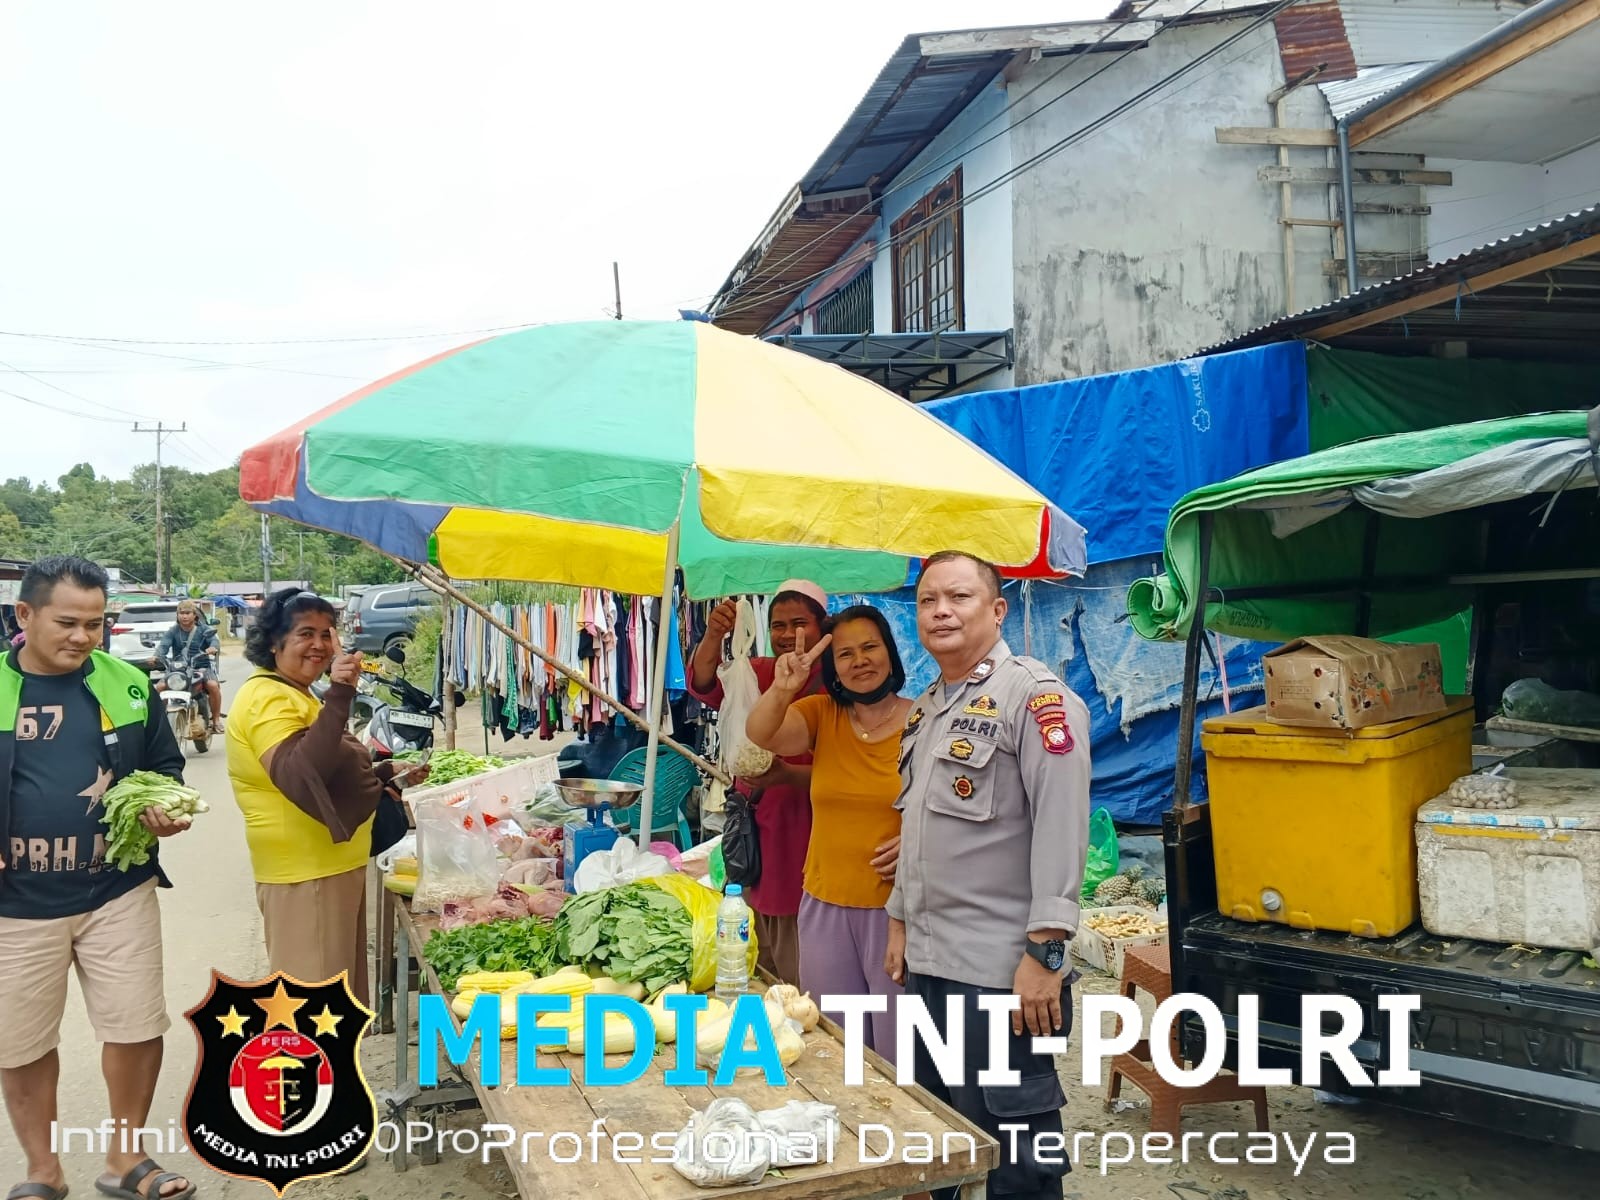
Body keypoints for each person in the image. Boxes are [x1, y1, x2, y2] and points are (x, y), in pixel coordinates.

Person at [885, 550, 1091, 1200]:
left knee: (1018, 1153)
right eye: (927, 600)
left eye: (959, 597)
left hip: (1000, 973)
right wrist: (897, 920)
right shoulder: (926, 710)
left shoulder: (1035, 697)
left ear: (997, 610)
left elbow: (1063, 826)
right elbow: (918, 829)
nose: (941, 610)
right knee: (942, 1135)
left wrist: (1045, 952)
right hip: (928, 963)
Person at [1, 556, 197, 1200]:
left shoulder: (128, 684)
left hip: (117, 889)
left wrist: (165, 804)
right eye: (67, 622)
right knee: (20, 1040)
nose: (83, 637)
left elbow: (167, 767)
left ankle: (126, 1161)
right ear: (24, 616)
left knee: (136, 1026)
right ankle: (42, 1171)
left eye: (96, 623)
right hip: (16, 904)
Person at [225, 588, 426, 1004]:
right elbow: (301, 775)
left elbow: (328, 765)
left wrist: (385, 772)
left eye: (325, 633)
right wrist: (340, 692)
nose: (318, 644)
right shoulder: (267, 698)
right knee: (312, 1007)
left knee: (335, 1005)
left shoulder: (295, 692)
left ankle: (330, 1071)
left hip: (329, 869)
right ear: (275, 642)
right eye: (304, 634)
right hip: (305, 875)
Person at [746, 604, 910, 1059]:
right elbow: (762, 733)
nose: (859, 661)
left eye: (870, 648)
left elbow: (952, 803)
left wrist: (919, 840)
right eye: (845, 654)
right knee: (835, 1047)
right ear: (832, 667)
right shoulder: (822, 714)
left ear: (890, 653)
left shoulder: (924, 720)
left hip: (894, 912)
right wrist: (784, 687)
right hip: (823, 907)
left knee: (897, 1055)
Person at [687, 581, 829, 985]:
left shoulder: (835, 683)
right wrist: (715, 634)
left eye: (799, 623)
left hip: (807, 821)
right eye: (778, 624)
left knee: (799, 929)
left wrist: (786, 775)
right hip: (757, 824)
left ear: (822, 627)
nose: (787, 635)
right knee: (755, 922)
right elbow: (705, 682)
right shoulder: (763, 671)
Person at [155, 600, 224, 734]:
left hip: (201, 667)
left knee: (213, 686)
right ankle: (160, 721)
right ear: (177, 615)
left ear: (194, 615)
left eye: (188, 613)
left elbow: (214, 641)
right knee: (160, 687)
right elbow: (163, 645)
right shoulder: (173, 631)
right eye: (181, 613)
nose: (184, 616)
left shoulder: (203, 629)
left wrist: (213, 647)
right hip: (178, 669)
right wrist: (156, 656)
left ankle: (216, 720)